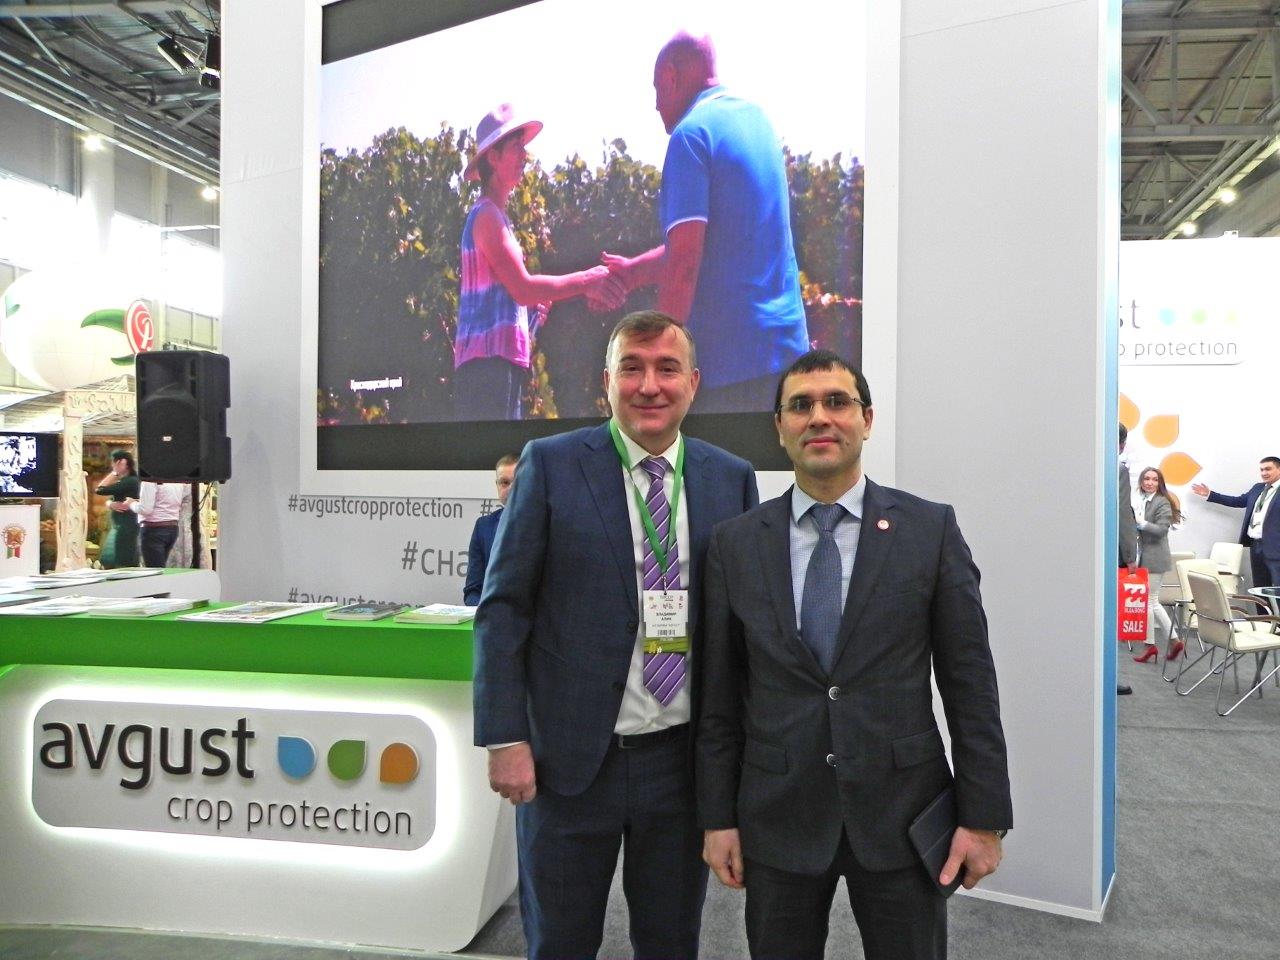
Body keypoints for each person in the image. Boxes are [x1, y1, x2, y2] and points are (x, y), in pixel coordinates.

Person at [697, 350, 1011, 960]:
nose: (819, 417)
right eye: (801, 405)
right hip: (778, 814)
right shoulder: (735, 544)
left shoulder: (929, 530)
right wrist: (717, 817)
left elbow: (971, 684)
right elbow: (720, 698)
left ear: (866, 420)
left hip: (902, 813)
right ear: (780, 427)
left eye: (837, 402)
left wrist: (983, 817)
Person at [473, 311, 759, 960]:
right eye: (632, 368)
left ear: (693, 383)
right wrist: (505, 737)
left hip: (681, 768)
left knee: (670, 942)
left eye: (666, 369)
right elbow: (504, 609)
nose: (649, 385)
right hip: (569, 763)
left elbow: (741, 633)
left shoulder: (730, 478)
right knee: (560, 942)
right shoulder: (551, 464)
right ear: (607, 382)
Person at [601, 32, 809, 414]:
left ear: (670, 76)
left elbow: (684, 265)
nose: (656, 104)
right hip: (789, 360)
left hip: (731, 370)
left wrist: (656, 369)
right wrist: (630, 274)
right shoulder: (757, 121)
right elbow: (711, 242)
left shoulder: (691, 136)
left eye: (656, 89)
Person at [455, 103, 622, 420]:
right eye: (516, 147)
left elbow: (514, 295)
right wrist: (587, 281)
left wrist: (527, 316)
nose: (525, 156)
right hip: (488, 371)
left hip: (493, 368)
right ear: (493, 157)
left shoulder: (494, 216)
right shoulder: (488, 216)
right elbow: (524, 288)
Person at [1192, 456, 1280, 590]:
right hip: (1256, 545)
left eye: (1268, 469)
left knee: (1278, 588)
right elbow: (1237, 501)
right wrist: (1210, 494)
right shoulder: (1258, 488)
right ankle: (1263, 606)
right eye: (1261, 470)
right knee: (1260, 587)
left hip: (1276, 547)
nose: (1264, 473)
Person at [1132, 467, 1181, 664]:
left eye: (1154, 479)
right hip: (1144, 557)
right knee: (1152, 602)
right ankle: (1175, 641)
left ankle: (1150, 645)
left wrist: (1140, 523)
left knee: (1148, 602)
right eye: (1146, 478)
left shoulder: (1162, 501)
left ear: (1159, 483)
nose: (1149, 482)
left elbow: (1161, 530)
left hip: (1155, 558)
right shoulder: (1142, 500)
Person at [463, 454, 517, 605]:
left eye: (518, 482)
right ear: (497, 485)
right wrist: (487, 612)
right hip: (492, 615)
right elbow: (473, 590)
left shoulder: (548, 524)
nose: (511, 488)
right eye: (504, 483)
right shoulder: (484, 527)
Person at [111, 481, 190, 568]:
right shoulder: (177, 480)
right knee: (160, 567)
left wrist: (131, 504)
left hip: (153, 529)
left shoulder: (149, 480)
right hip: (172, 527)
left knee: (154, 569)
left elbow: (145, 509)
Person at [1117, 424, 1138, 696]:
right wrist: (1130, 555)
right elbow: (1122, 513)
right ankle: (1106, 678)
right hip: (1109, 556)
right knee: (1108, 620)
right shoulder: (1118, 470)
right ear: (1121, 445)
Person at [95, 450, 140, 568]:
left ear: (121, 462)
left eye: (114, 463)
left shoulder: (131, 481)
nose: (112, 465)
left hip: (127, 527)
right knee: (114, 559)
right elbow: (112, 498)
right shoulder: (127, 482)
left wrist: (114, 472)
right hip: (121, 526)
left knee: (123, 560)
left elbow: (100, 489)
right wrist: (110, 504)